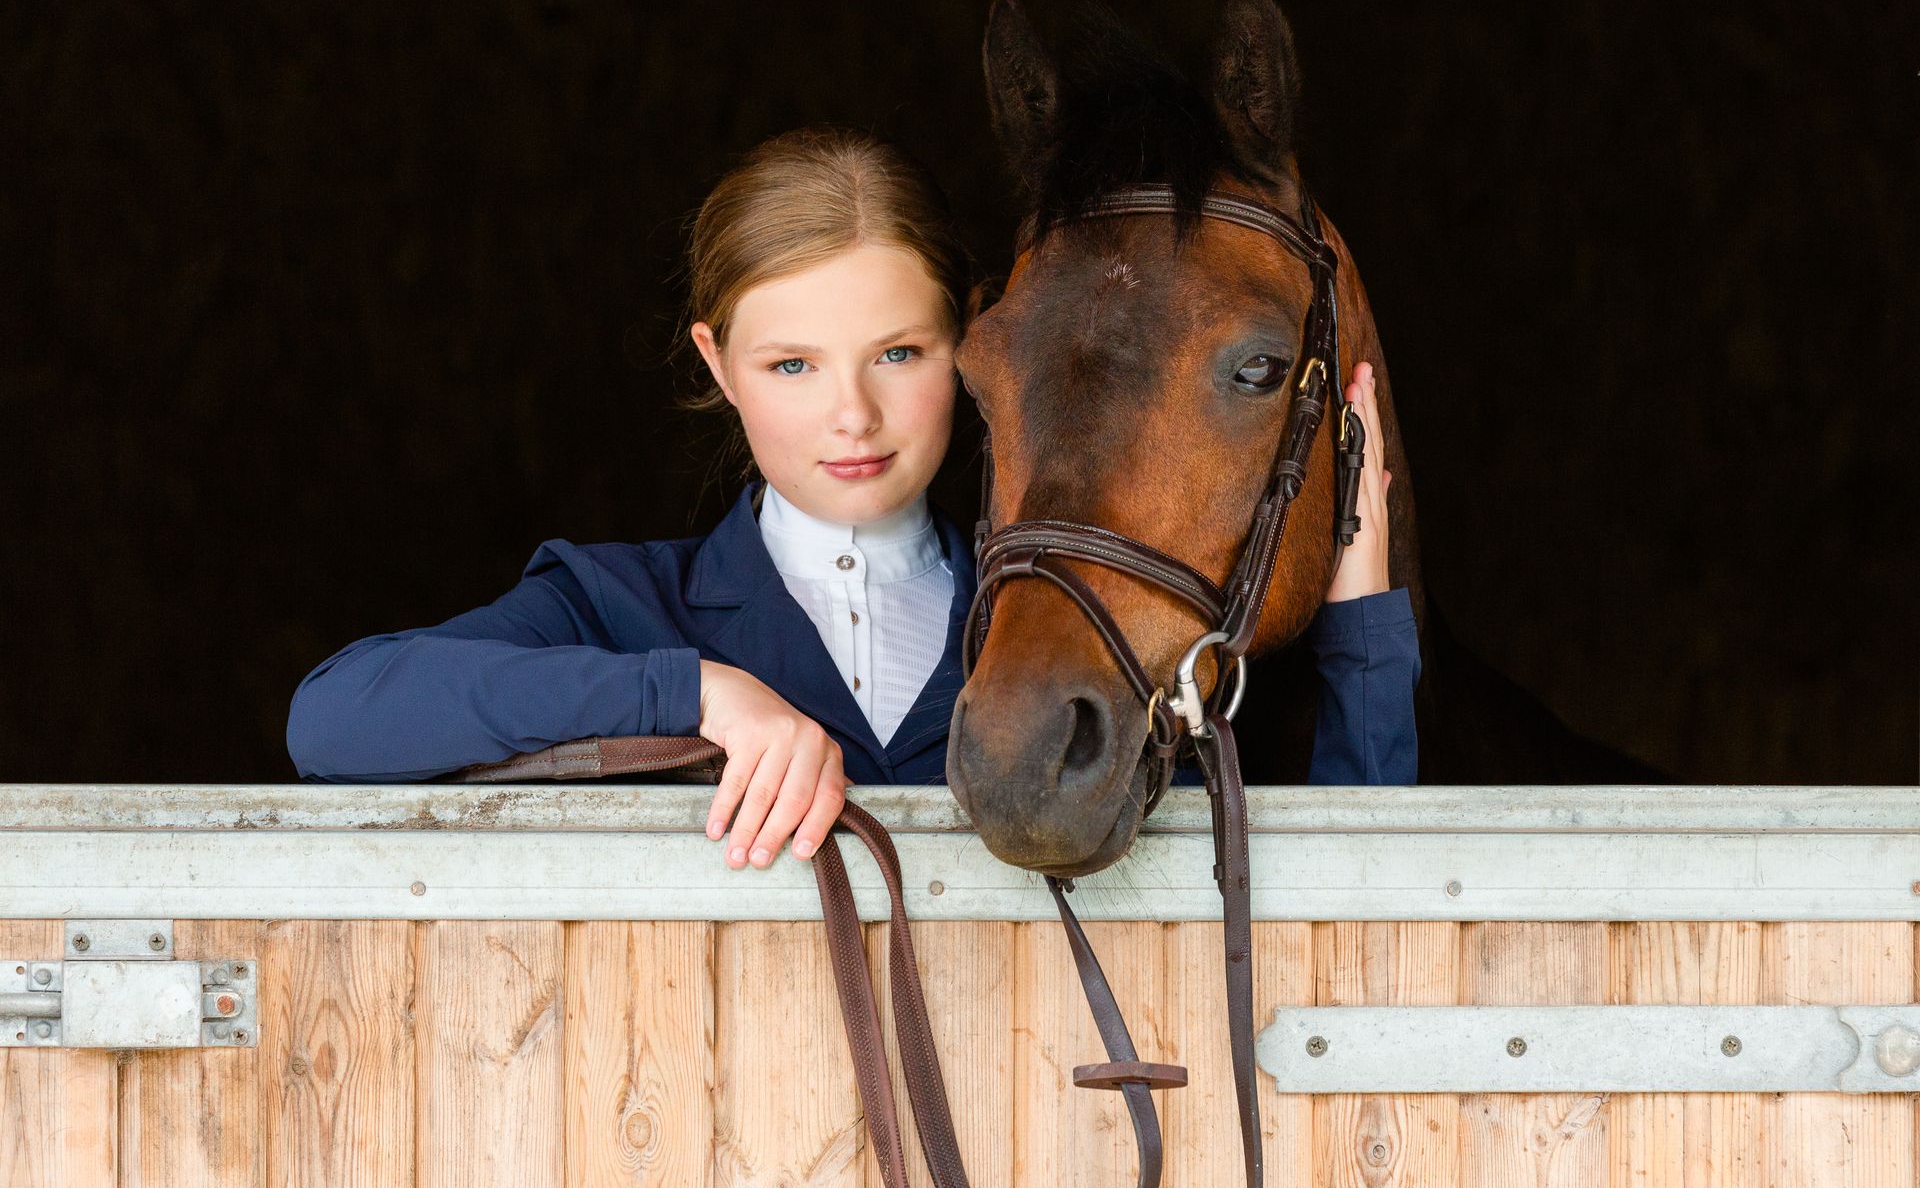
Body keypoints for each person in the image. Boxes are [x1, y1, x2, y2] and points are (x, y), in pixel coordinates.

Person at [286, 125, 1419, 873]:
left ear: (974, 345)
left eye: (898, 355)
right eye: (792, 366)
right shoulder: (621, 606)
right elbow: (337, 716)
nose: (852, 417)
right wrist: (700, 694)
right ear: (717, 366)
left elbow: (1352, 888)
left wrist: (1364, 621)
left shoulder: (1080, 636)